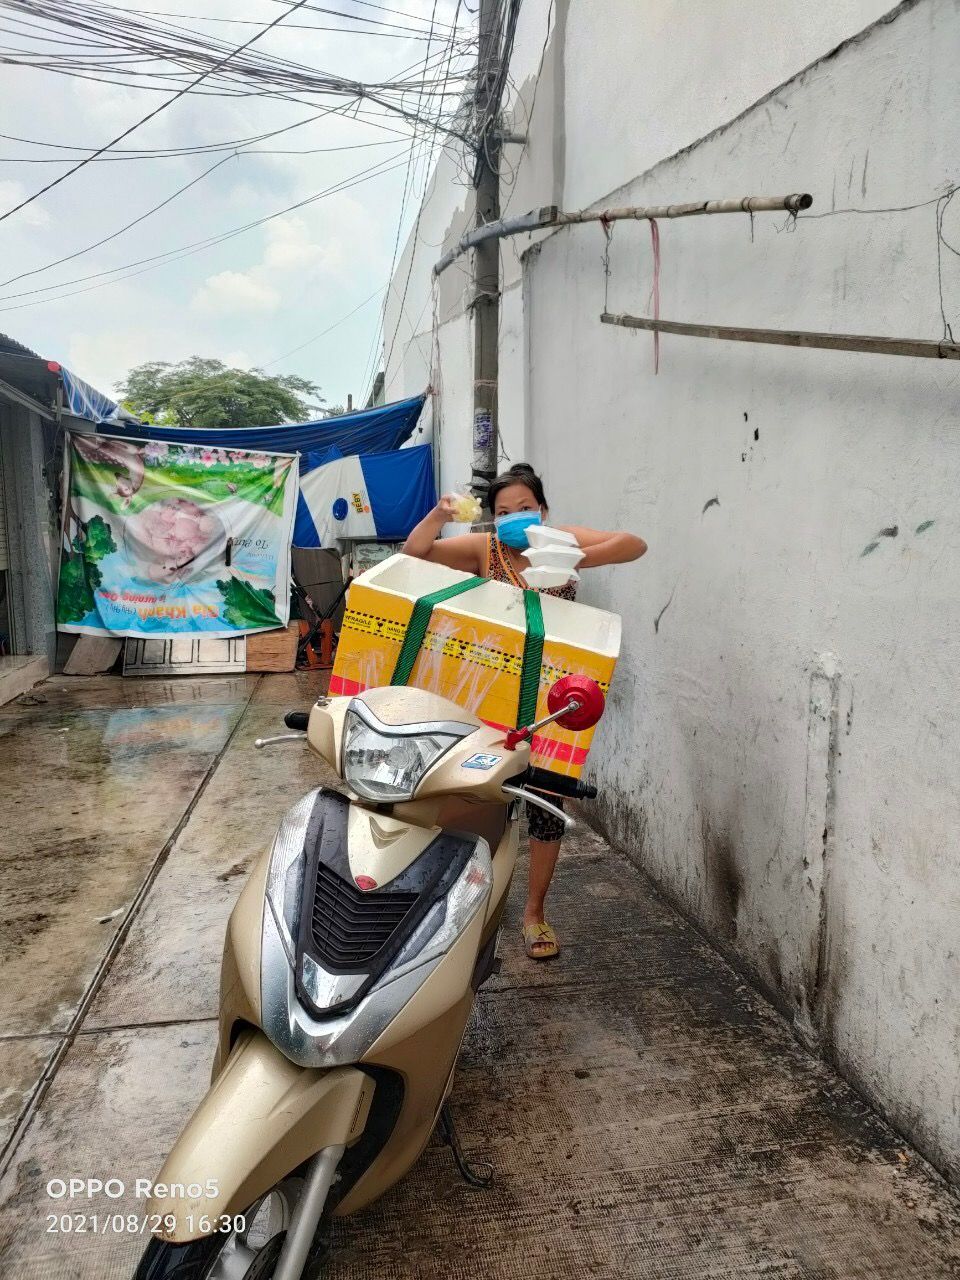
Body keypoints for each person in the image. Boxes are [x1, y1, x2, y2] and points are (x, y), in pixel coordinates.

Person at [402, 462, 647, 960]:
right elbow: (416, 553)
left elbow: (634, 544)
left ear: (543, 510)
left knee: (546, 804)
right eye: (504, 512)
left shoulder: (561, 539)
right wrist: (439, 514)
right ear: (493, 518)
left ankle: (534, 913)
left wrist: (571, 556)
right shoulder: (484, 549)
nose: (515, 518)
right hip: (491, 692)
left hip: (552, 700)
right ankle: (465, 908)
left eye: (525, 508)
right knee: (477, 798)